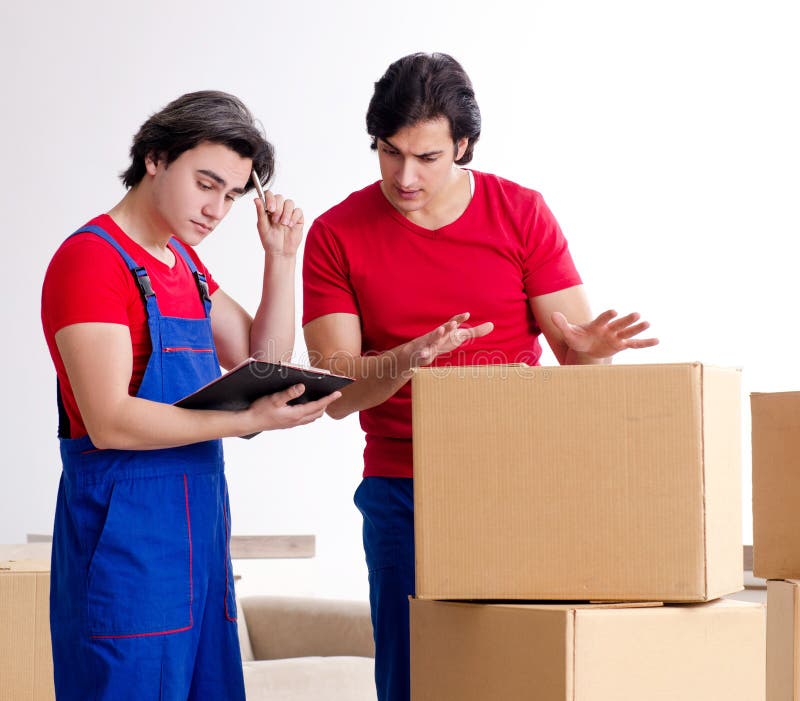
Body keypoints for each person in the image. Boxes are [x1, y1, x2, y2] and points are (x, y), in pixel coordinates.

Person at [302, 53, 658, 701]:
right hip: (403, 487)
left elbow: (579, 365)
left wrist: (594, 352)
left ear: (463, 146)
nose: (405, 176)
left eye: (427, 157)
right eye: (389, 152)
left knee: (520, 672)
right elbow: (337, 395)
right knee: (413, 677)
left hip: (518, 479)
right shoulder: (336, 233)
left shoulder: (520, 212)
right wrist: (409, 359)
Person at [41, 90, 340, 701]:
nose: (216, 209)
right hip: (126, 551)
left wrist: (281, 259)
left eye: (231, 195)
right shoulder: (91, 261)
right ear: (155, 158)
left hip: (199, 544)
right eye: (206, 184)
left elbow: (261, 358)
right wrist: (245, 420)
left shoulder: (184, 264)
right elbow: (110, 421)